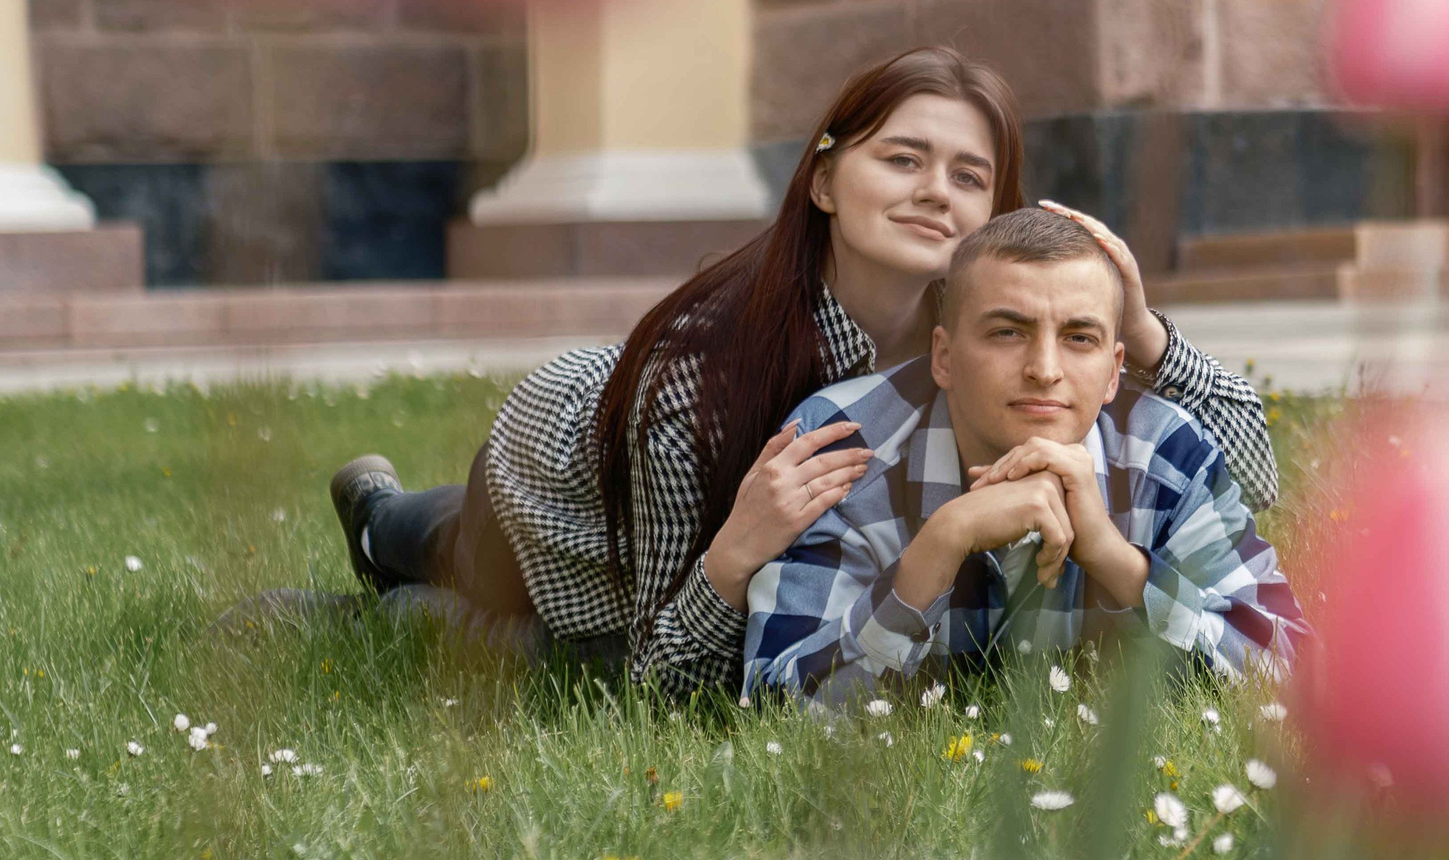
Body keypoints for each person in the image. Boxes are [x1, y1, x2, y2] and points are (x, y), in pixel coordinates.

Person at [322, 47, 1277, 697]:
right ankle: (377, 537)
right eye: (903, 158)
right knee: (545, 638)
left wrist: (1143, 333)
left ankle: (389, 528)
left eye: (969, 176)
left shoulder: (992, 334)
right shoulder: (699, 384)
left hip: (708, 530)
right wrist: (739, 547)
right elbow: (674, 661)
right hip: (573, 503)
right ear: (823, 180)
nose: (936, 191)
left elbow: (1253, 478)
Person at [742, 209, 1304, 706]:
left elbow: (1292, 670)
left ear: (1114, 372)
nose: (1044, 369)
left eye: (1079, 338)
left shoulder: (1162, 451)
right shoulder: (844, 449)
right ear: (943, 356)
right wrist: (937, 548)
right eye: (1008, 331)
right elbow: (775, 706)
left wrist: (1115, 559)